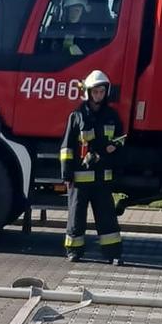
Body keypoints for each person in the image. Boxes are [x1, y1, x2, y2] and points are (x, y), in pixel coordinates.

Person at [60, 69, 123, 264]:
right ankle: (74, 251)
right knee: (76, 217)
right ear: (88, 92)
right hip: (80, 178)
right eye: (95, 92)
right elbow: (67, 147)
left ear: (106, 92)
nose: (98, 95)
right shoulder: (77, 116)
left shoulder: (112, 116)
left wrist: (115, 150)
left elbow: (120, 141)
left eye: (101, 91)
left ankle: (112, 253)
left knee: (107, 217)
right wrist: (67, 173)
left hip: (103, 178)